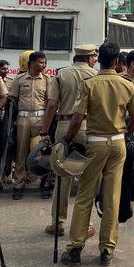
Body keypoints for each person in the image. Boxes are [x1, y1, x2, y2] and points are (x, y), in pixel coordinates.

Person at [61, 42, 134, 267]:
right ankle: (107, 249)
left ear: (98, 60)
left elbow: (77, 119)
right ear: (117, 62)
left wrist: (66, 140)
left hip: (95, 143)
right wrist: (125, 134)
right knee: (112, 196)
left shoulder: (90, 84)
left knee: (85, 194)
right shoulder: (126, 85)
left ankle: (75, 248)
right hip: (118, 144)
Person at [42, 44, 98, 233]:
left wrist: (44, 130)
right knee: (87, 177)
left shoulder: (61, 74)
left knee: (62, 176)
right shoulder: (96, 75)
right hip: (88, 127)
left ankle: (58, 222)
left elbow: (51, 105)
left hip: (64, 125)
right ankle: (86, 225)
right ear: (90, 58)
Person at [9, 51, 52, 200]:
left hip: (40, 120)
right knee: (20, 152)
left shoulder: (47, 80)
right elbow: (12, 100)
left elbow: (49, 102)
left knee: (42, 152)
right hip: (23, 119)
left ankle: (44, 183)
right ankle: (18, 184)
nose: (43, 65)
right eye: (40, 62)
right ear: (31, 63)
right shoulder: (19, 79)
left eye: (44, 62)